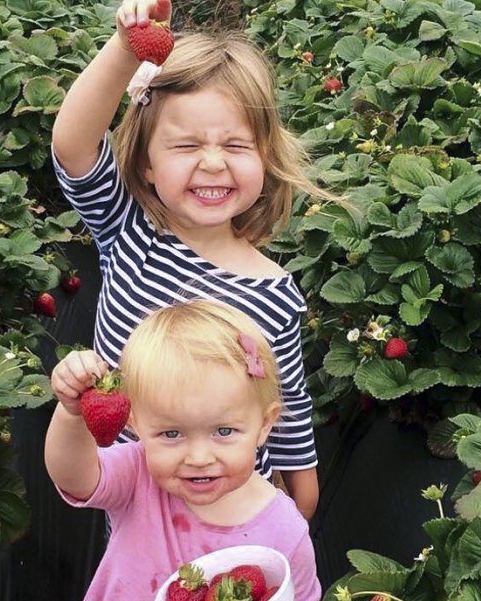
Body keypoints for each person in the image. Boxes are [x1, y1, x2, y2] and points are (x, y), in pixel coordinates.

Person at [51, 0, 336, 520]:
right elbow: (73, 145)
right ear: (147, 163)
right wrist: (124, 47)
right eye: (185, 145)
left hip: (230, 500)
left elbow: (287, 409)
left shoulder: (273, 294)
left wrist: (300, 504)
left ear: (265, 159)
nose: (212, 162)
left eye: (236, 145)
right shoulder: (131, 230)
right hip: (134, 489)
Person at [46, 300, 322, 601]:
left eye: (224, 431)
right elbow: (74, 477)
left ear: (264, 424)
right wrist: (72, 413)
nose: (199, 457)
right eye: (172, 434)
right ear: (136, 426)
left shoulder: (286, 530)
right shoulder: (138, 476)